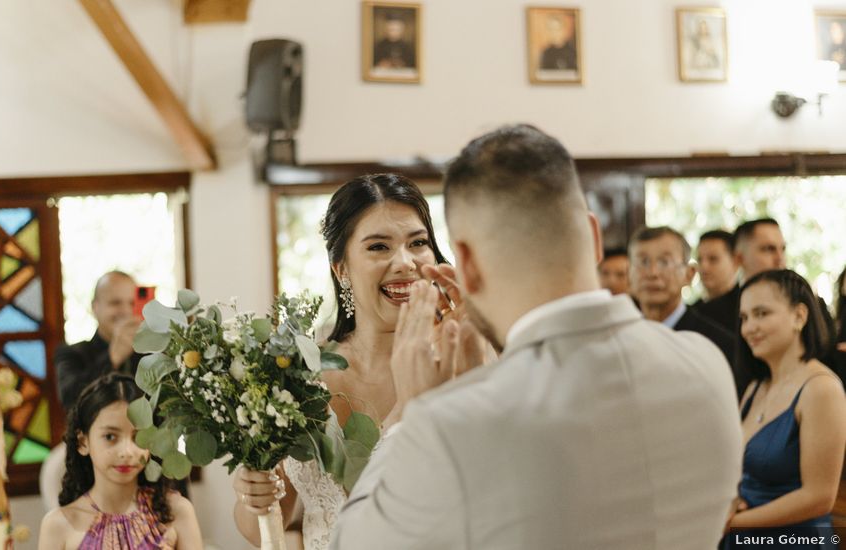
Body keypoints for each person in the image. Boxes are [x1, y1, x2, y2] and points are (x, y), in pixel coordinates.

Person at [331, 124, 743, 549]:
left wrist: (414, 418)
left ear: (466, 263)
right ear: (594, 236)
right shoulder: (707, 363)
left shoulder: (454, 424)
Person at [231, 174, 480, 550]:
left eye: (418, 243)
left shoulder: (462, 364)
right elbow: (275, 528)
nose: (405, 263)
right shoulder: (298, 378)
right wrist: (253, 497)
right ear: (341, 268)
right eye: (379, 246)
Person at [722, 270, 846, 548]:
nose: (749, 327)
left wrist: (730, 523)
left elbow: (819, 497)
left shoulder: (821, 388)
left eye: (762, 313)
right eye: (744, 318)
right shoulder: (757, 386)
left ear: (799, 316)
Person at [38, 372, 202, 549]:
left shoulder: (177, 511)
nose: (126, 452)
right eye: (110, 437)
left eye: (138, 437)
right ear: (83, 442)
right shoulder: (58, 526)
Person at [629, 226, 735, 367]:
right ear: (628, 273)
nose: (652, 273)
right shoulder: (621, 337)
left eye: (664, 262)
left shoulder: (717, 344)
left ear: (689, 274)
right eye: (643, 262)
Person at [55, 271, 143, 410]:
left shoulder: (151, 355)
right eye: (115, 303)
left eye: (132, 303)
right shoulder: (71, 354)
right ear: (95, 307)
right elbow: (71, 399)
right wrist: (112, 358)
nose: (126, 311)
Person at [695, 229, 739, 304]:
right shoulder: (693, 311)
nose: (703, 267)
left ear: (735, 261)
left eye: (713, 259)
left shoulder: (746, 306)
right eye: (699, 260)